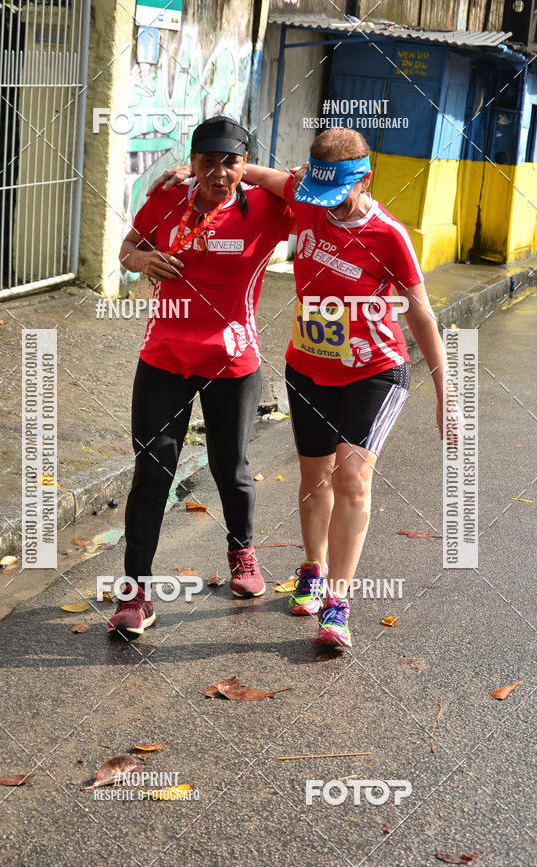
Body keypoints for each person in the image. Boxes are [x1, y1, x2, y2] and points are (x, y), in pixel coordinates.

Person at [153, 127, 455, 649]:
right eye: (321, 195)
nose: (328, 208)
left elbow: (422, 313)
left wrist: (447, 392)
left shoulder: (389, 235)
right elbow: (244, 172)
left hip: (373, 370)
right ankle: (313, 569)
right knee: (316, 475)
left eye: (338, 196)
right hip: (309, 367)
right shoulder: (308, 195)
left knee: (352, 477)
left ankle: (337, 604)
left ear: (365, 179)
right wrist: (192, 173)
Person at [108, 116, 294, 636]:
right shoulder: (168, 200)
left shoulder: (265, 208)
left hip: (233, 363)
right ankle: (136, 593)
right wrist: (143, 259)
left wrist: (244, 173)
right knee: (152, 473)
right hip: (164, 356)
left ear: (244, 164)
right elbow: (126, 249)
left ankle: (242, 554)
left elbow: (310, 188)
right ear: (191, 162)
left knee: (229, 465)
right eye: (206, 161)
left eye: (229, 161)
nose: (217, 172)